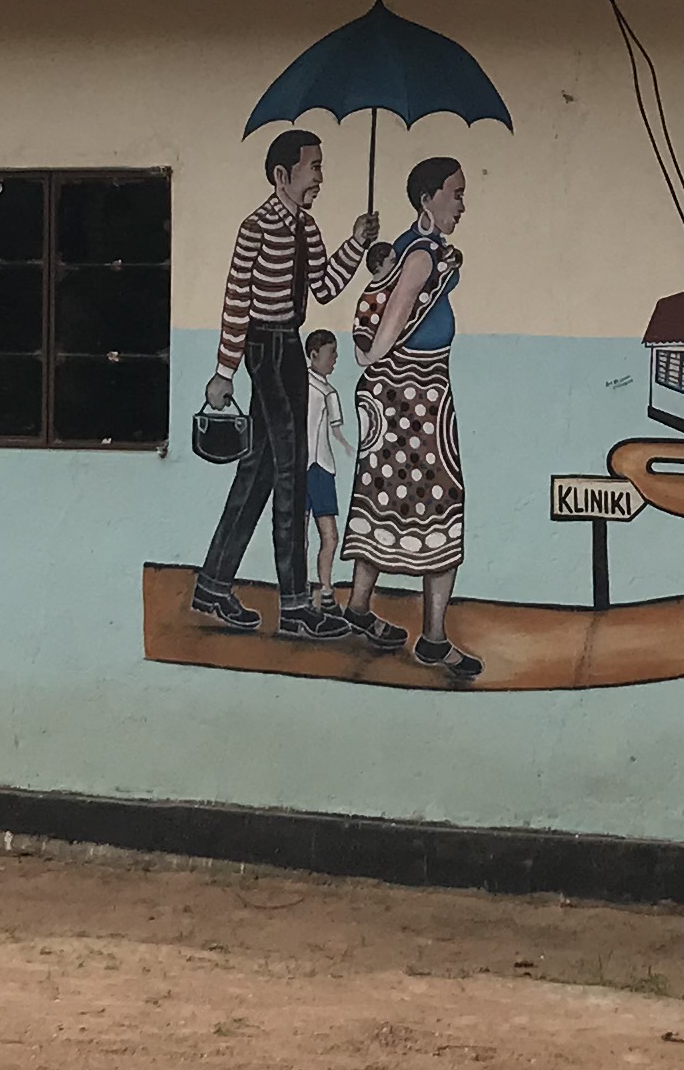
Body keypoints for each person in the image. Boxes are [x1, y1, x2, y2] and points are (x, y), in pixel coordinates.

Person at [190, 129, 379, 639]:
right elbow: (235, 301)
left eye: (320, 166)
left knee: (260, 471)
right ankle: (296, 609)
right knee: (292, 470)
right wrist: (225, 371)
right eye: (313, 166)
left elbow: (324, 286)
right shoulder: (256, 227)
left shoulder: (309, 228)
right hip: (264, 350)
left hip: (291, 348)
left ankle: (212, 586)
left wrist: (357, 243)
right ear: (282, 175)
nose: (320, 176)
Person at [336, 154, 479, 680]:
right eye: (457, 194)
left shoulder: (408, 247)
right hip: (415, 395)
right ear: (429, 198)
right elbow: (391, 321)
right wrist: (375, 357)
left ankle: (357, 607)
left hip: (402, 395)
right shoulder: (420, 255)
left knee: (383, 496)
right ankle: (435, 641)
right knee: (439, 502)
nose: (463, 204)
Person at [302, 328, 348, 594]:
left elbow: (336, 431)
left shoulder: (331, 393)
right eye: (331, 353)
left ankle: (326, 588)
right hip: (304, 467)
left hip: (322, 468)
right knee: (302, 536)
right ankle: (302, 587)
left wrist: (348, 447)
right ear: (314, 354)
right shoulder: (299, 385)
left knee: (329, 537)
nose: (335, 358)